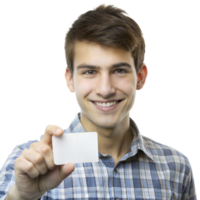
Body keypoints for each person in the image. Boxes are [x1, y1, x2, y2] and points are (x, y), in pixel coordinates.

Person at [0, 1, 197, 200]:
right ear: (69, 80)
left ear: (140, 77)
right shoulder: (27, 163)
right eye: (90, 72)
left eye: (119, 70)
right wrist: (21, 196)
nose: (105, 89)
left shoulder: (177, 167)